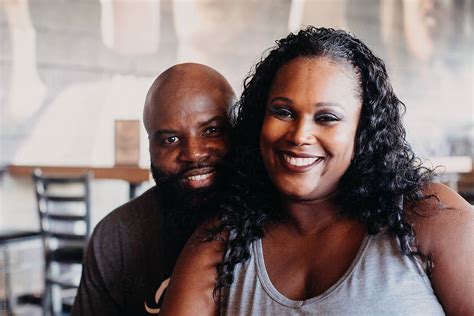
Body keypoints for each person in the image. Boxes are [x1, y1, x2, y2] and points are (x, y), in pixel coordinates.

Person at [160, 27, 474, 315]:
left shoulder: (431, 216)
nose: (299, 135)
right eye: (283, 112)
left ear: (362, 131)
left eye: (326, 118)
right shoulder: (219, 240)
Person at [72, 63, 235, 315]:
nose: (193, 153)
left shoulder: (280, 226)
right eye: (171, 139)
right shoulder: (115, 238)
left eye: (211, 130)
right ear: (150, 147)